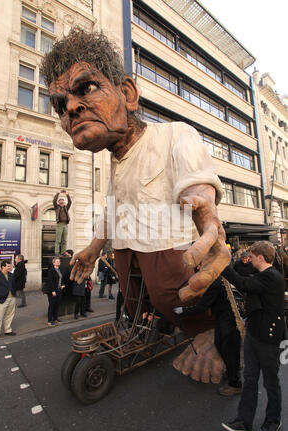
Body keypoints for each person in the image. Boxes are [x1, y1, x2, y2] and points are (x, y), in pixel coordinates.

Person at [41, 28, 231, 383]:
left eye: (86, 88)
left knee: (172, 291)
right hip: (130, 251)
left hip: (170, 250)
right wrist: (96, 245)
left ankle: (206, 332)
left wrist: (208, 220)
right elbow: (115, 206)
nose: (71, 108)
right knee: (136, 300)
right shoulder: (116, 161)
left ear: (127, 93)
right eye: (59, 105)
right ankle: (152, 325)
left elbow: (198, 186)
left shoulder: (175, 133)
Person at [221, 241, 286, 431]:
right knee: (250, 379)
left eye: (252, 255)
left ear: (261, 257)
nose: (249, 258)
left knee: (270, 382)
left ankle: (273, 420)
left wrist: (220, 265)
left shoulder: (272, 277)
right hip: (254, 335)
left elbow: (243, 283)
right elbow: (246, 281)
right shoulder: (263, 276)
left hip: (268, 339)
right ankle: (244, 421)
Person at [174, 276, 242, 396]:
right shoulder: (218, 280)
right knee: (220, 344)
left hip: (228, 320)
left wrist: (183, 311)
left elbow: (202, 307)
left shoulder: (215, 283)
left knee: (229, 350)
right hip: (223, 318)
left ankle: (235, 384)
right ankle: (232, 371)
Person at [0, 260, 16, 342]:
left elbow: (13, 285)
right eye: (8, 266)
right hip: (2, 299)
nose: (10, 267)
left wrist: (14, 293)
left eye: (10, 266)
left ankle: (7, 330)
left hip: (12, 298)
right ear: (3, 267)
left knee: (9, 315)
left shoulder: (11, 275)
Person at [45, 256, 65, 327]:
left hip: (59, 290)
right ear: (53, 263)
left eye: (59, 261)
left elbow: (60, 278)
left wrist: (62, 284)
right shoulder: (51, 270)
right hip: (52, 291)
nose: (58, 262)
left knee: (57, 305)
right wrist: (53, 291)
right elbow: (50, 281)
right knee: (52, 305)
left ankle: (55, 318)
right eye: (57, 261)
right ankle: (50, 321)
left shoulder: (59, 270)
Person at [53, 190, 72, 255]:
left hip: (65, 225)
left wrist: (67, 194)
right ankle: (57, 252)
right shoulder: (57, 207)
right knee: (58, 240)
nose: (62, 201)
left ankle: (63, 252)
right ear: (58, 202)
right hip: (59, 225)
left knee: (64, 240)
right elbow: (54, 200)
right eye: (60, 200)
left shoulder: (66, 208)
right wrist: (58, 193)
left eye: (63, 200)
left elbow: (70, 202)